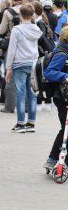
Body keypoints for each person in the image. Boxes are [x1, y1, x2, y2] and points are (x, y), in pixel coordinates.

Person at [5, 4, 42, 133]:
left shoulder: (17, 30)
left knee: (21, 93)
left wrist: (8, 68)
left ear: (20, 15)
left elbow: (12, 50)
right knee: (32, 94)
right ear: (32, 15)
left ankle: (20, 124)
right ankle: (31, 123)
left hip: (19, 64)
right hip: (33, 63)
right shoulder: (36, 29)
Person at [43, 27, 68, 169]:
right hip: (62, 97)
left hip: (64, 95)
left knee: (65, 129)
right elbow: (49, 72)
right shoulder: (62, 53)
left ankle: (54, 159)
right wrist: (65, 76)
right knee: (66, 129)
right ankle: (53, 159)